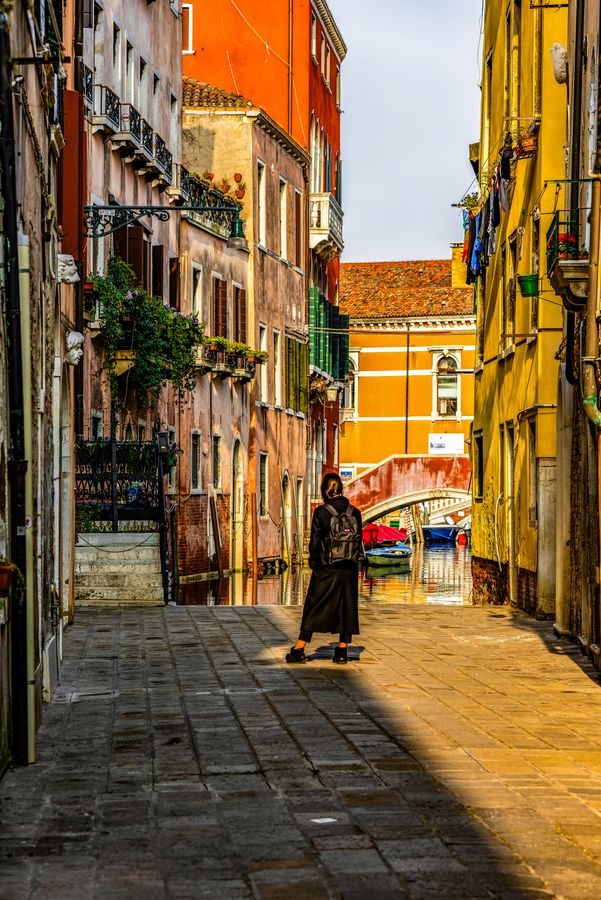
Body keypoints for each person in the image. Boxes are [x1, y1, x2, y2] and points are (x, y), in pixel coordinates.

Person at [286, 472, 362, 665]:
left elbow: (315, 543)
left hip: (328, 568)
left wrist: (315, 563)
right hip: (350, 568)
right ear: (341, 489)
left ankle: (299, 648)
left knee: (314, 605)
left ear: (324, 490)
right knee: (346, 606)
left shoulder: (322, 512)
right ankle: (342, 651)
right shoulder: (355, 512)